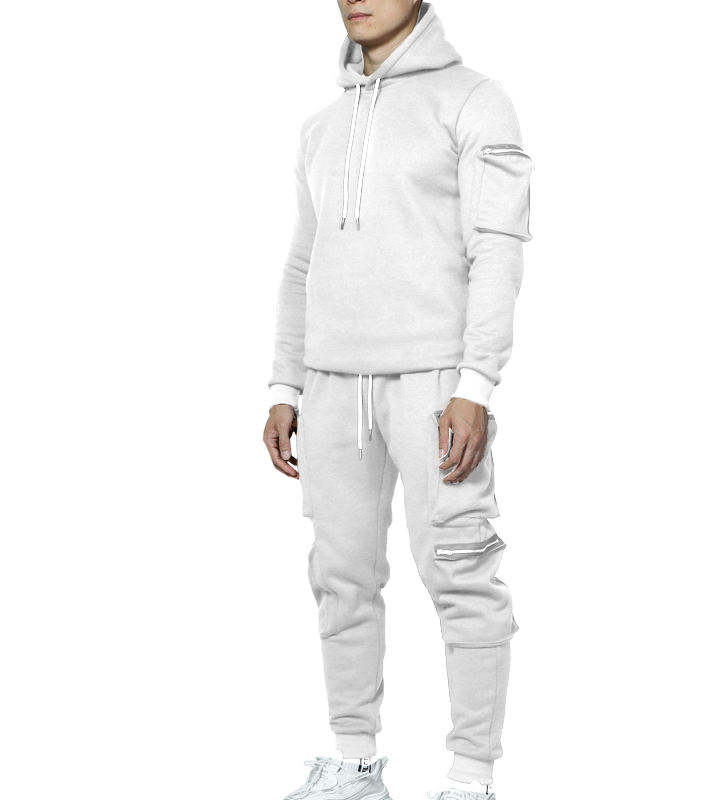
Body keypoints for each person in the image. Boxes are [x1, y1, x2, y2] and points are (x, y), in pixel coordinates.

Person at [263, 2, 532, 798]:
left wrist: (475, 384)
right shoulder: (320, 127)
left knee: (462, 574)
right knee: (340, 578)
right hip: (330, 383)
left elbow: (497, 248)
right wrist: (285, 383)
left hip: (433, 383)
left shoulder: (474, 100)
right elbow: (302, 262)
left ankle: (471, 777)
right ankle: (354, 765)